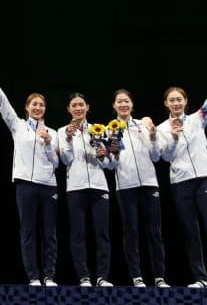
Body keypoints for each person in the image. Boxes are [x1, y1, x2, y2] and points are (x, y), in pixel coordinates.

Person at [0, 59, 59, 287]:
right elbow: (2, 101)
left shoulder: (52, 132)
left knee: (49, 233)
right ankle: (33, 277)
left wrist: (48, 143)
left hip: (48, 185)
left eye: (41, 105)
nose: (37, 108)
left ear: (45, 109)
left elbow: (56, 163)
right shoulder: (17, 125)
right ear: (26, 108)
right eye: (34, 104)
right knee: (29, 231)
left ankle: (49, 276)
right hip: (25, 184)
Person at [157, 63, 207, 288]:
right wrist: (174, 137)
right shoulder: (161, 129)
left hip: (205, 178)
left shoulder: (198, 119)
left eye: (179, 99)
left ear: (185, 102)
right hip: (180, 183)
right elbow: (165, 156)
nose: (176, 103)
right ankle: (200, 278)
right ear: (166, 104)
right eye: (172, 100)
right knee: (190, 231)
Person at [109, 89, 169, 288]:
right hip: (125, 186)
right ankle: (137, 276)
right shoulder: (109, 129)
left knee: (154, 231)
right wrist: (114, 153)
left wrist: (152, 136)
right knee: (131, 231)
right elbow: (109, 164)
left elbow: (155, 156)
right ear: (114, 106)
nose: (123, 105)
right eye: (119, 102)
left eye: (126, 101)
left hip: (149, 183)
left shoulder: (144, 125)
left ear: (132, 105)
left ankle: (159, 277)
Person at [57, 93, 116, 287]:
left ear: (87, 107)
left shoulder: (100, 129)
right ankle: (83, 276)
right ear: (69, 109)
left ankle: (102, 277)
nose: (78, 108)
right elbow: (65, 160)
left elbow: (110, 164)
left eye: (81, 104)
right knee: (78, 234)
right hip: (75, 187)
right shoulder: (61, 131)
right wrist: (67, 138)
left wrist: (102, 156)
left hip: (99, 186)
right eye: (74, 105)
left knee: (102, 233)